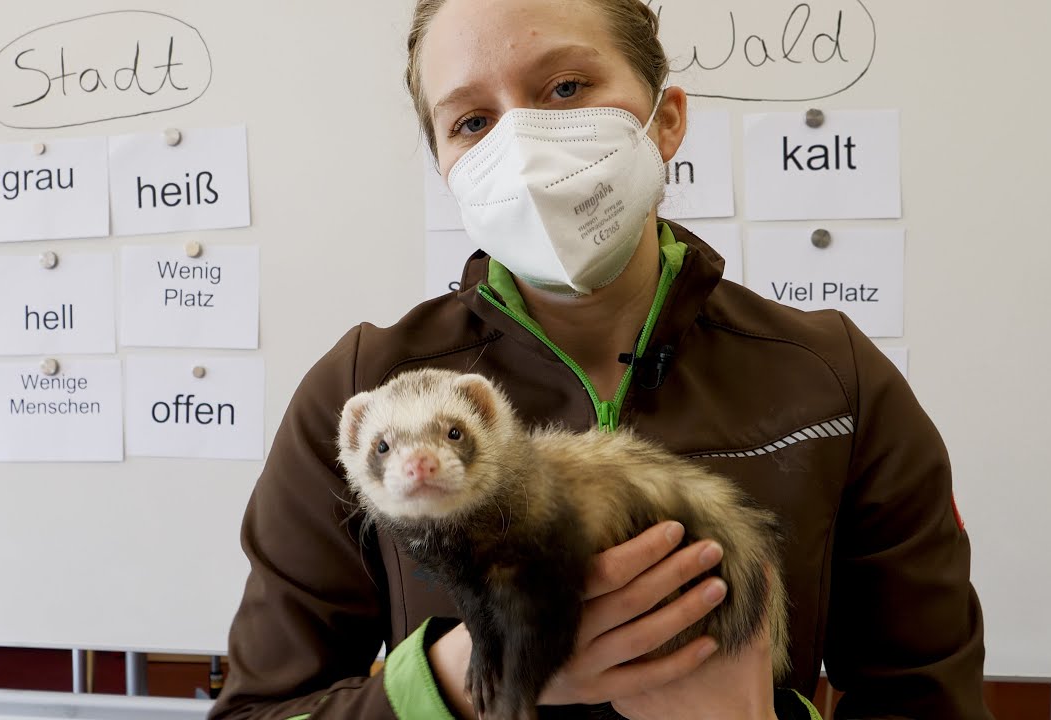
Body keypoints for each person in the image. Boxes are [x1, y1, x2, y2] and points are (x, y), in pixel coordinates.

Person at [209, 0, 991, 718]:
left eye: (565, 88)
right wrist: (449, 681)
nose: (520, 144)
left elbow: (932, 702)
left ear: (667, 120)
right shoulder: (361, 390)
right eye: (473, 122)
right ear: (446, 165)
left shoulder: (835, 382)